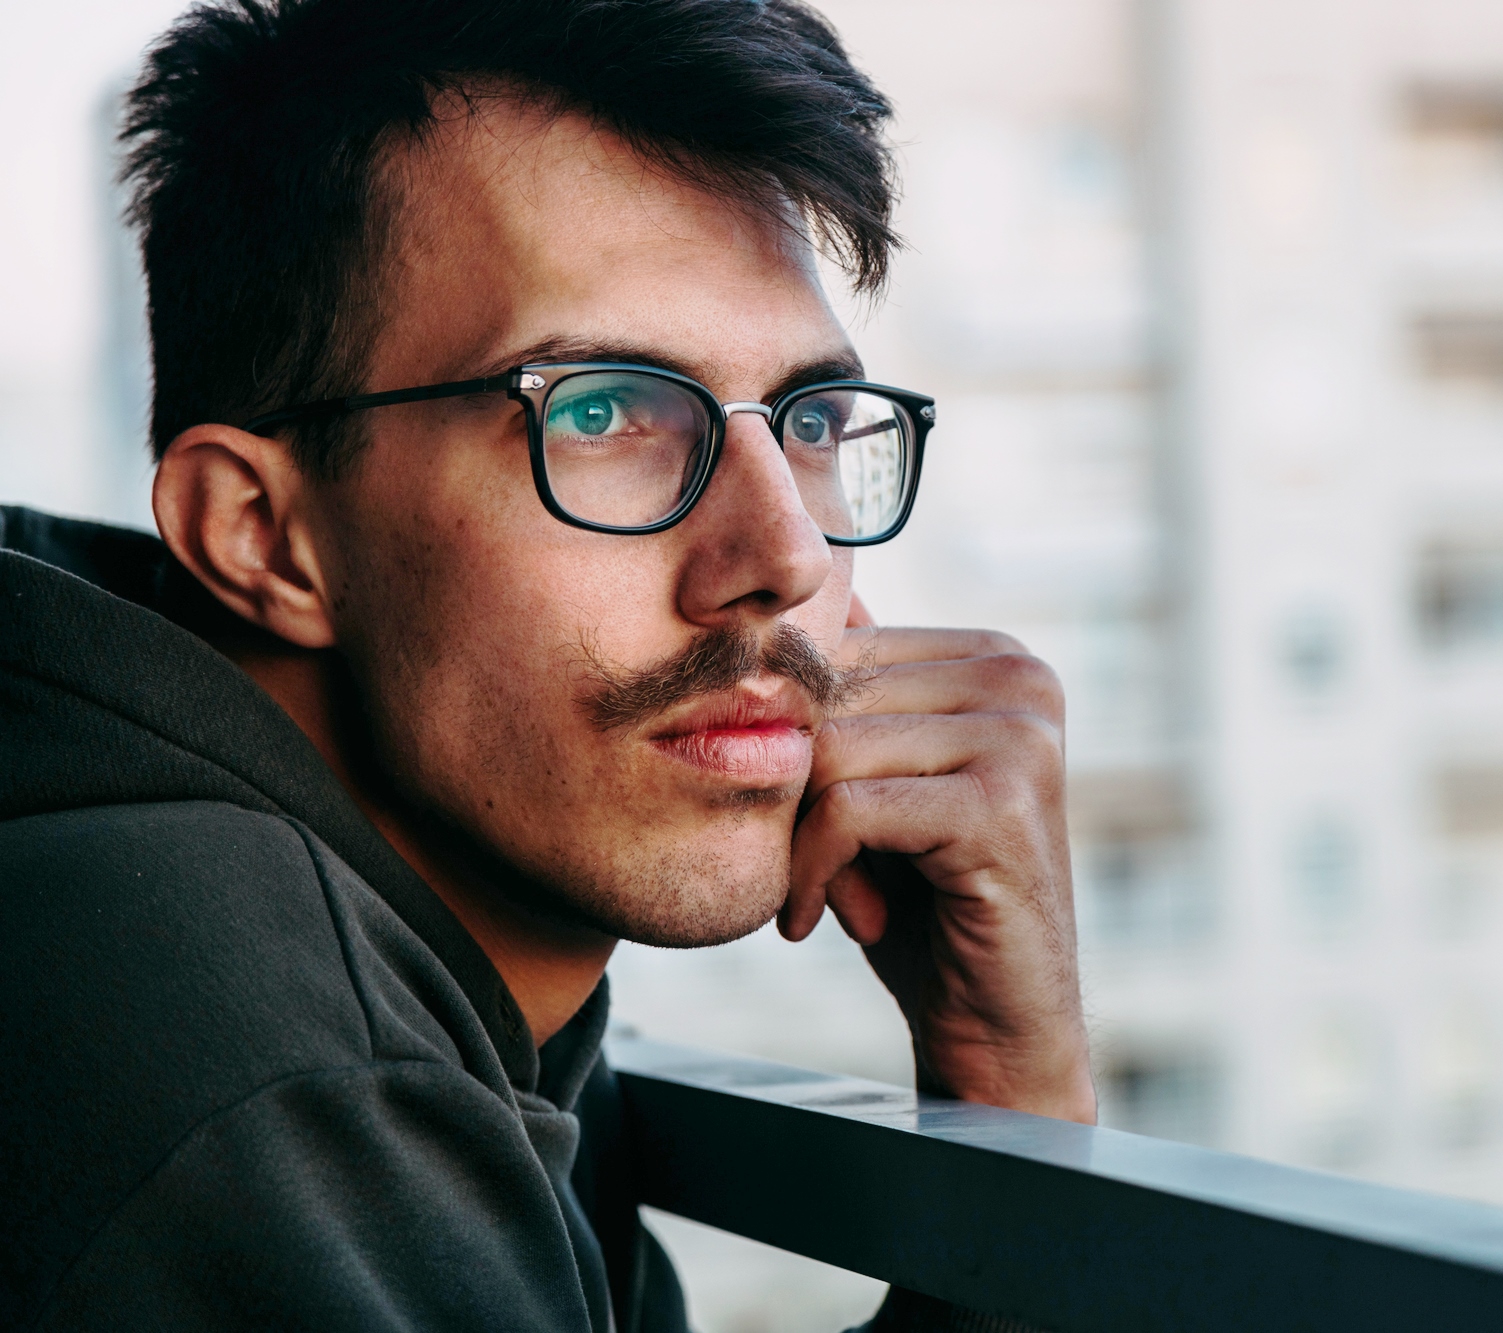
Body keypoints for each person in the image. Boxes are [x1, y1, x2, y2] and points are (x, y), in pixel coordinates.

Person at [0, 1, 1092, 1328]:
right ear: (263, 535)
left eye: (807, 420)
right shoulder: (246, 1062)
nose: (783, 554)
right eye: (603, 410)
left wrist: (1009, 1100)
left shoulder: (406, 961)